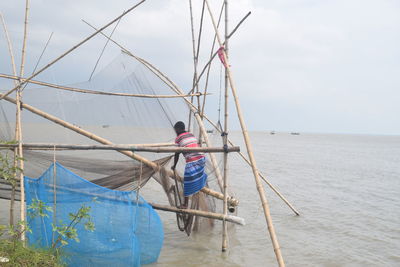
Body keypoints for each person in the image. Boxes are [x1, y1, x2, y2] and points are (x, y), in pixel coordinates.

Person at [171, 121, 207, 209]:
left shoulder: (178, 138)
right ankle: (201, 185)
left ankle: (185, 204)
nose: (175, 131)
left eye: (175, 129)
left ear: (178, 129)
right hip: (202, 158)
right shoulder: (191, 135)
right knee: (198, 175)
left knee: (187, 181)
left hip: (192, 160)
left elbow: (177, 153)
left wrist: (174, 166)